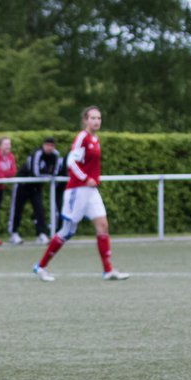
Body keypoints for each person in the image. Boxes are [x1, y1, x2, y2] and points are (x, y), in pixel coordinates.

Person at [32, 107, 128, 282]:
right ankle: (41, 266)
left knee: (103, 225)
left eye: (99, 118)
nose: (96, 121)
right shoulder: (82, 137)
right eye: (92, 118)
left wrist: (90, 180)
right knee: (67, 231)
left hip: (91, 191)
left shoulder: (95, 139)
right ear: (85, 120)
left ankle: (108, 270)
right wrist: (85, 178)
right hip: (77, 190)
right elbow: (71, 162)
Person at [9, 138, 61, 245]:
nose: (49, 148)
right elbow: (35, 172)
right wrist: (48, 175)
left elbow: (55, 172)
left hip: (36, 187)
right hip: (22, 185)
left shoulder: (55, 155)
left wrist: (49, 175)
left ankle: (41, 233)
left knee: (39, 210)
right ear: (43, 145)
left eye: (52, 145)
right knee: (17, 209)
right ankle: (13, 233)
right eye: (47, 145)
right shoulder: (37, 154)